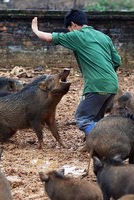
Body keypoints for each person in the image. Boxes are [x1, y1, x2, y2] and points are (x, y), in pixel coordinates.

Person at [31, 9, 122, 140]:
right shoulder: (104, 37)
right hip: (113, 85)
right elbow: (117, 61)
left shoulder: (78, 36)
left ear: (73, 24)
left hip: (96, 85)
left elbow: (49, 37)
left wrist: (35, 30)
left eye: (69, 29)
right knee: (96, 118)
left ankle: (105, 139)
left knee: (82, 118)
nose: (70, 32)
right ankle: (94, 145)